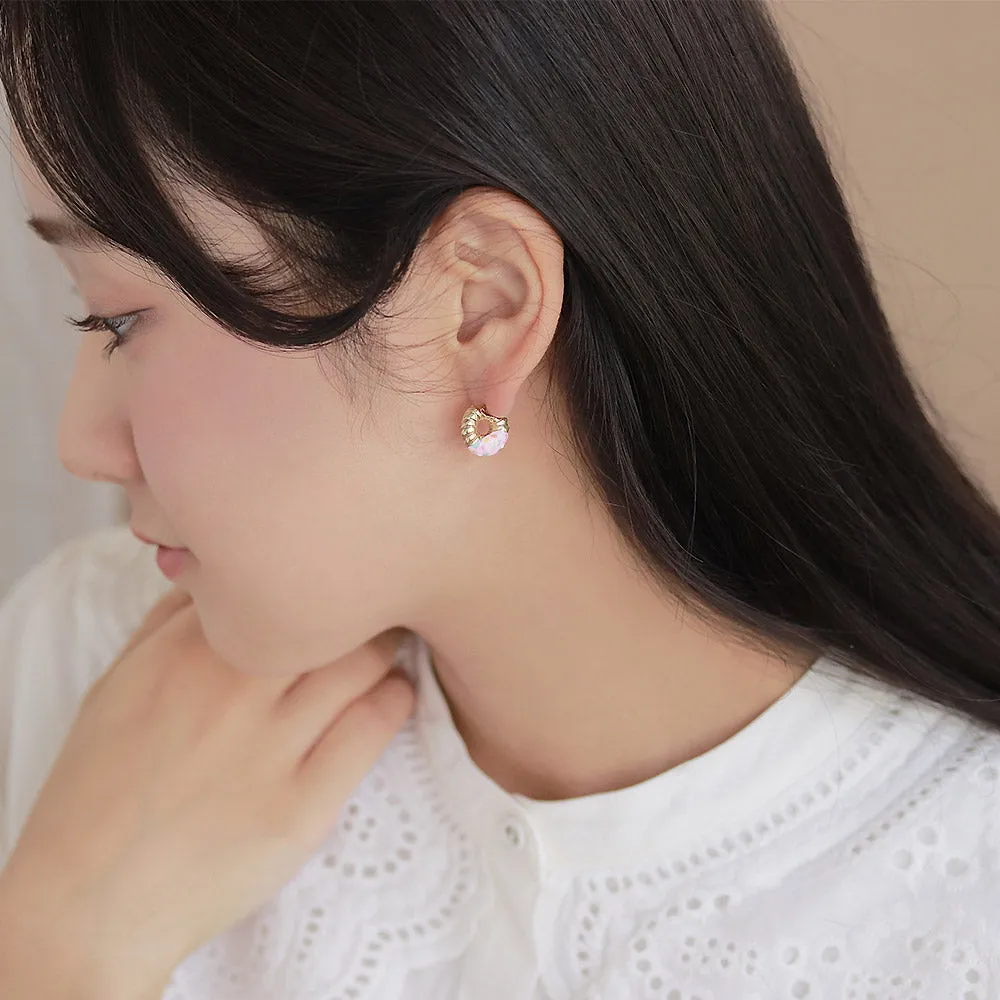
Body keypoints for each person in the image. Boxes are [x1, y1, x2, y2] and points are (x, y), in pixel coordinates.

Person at [0, 1, 998, 998]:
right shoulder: (88, 664)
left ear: (480, 307)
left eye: (119, 318)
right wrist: (55, 946)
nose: (80, 443)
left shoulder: (959, 901)